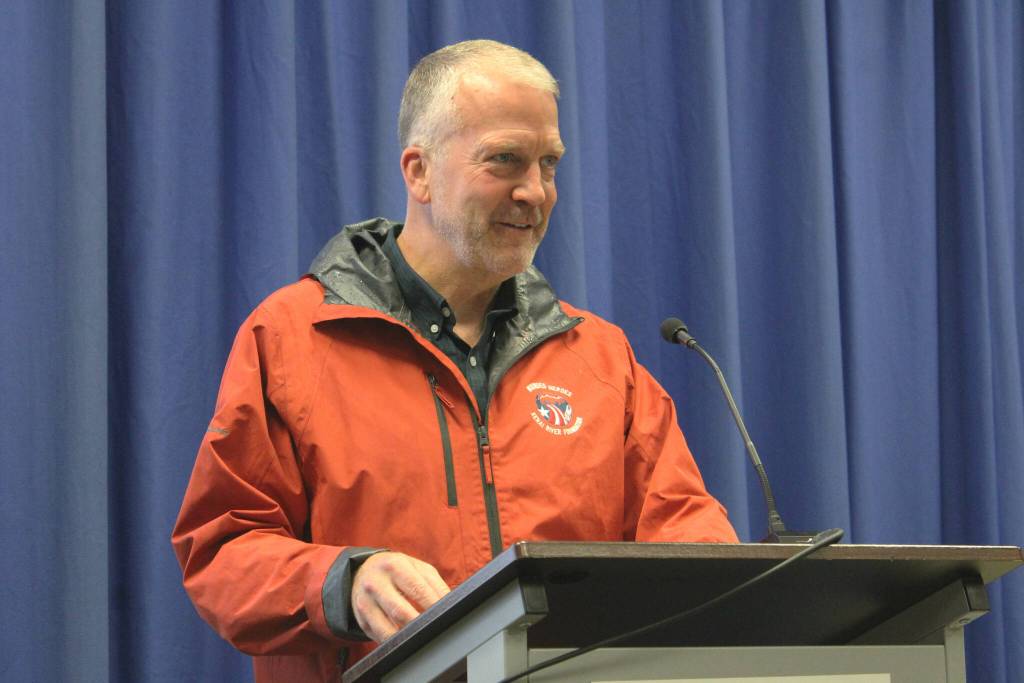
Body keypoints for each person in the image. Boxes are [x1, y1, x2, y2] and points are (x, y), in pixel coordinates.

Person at [173, 39, 738, 681]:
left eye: (549, 164)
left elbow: (690, 542)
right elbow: (222, 550)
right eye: (505, 160)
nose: (535, 192)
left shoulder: (601, 359)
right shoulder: (292, 338)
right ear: (419, 172)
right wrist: (343, 581)